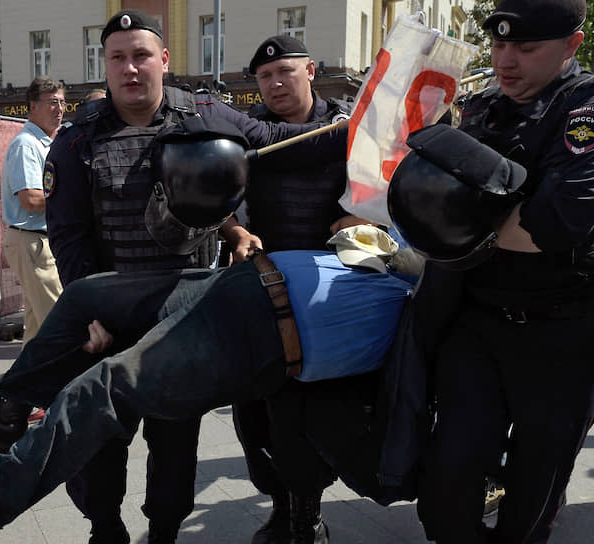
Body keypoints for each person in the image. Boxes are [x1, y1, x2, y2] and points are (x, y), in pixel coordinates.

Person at [0, 10, 346, 543]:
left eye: (141, 55)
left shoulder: (207, 114)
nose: (130, 68)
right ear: (106, 65)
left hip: (187, 315)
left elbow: (288, 141)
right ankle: (105, 528)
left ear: (163, 60)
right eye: (118, 57)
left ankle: (162, 531)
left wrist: (376, 122)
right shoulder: (77, 139)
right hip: (107, 315)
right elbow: (69, 234)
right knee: (97, 449)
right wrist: (92, 313)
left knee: (174, 451)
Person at [0, 225, 416, 536]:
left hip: (263, 336)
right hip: (241, 280)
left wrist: (419, 264)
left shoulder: (436, 293)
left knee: (108, 385)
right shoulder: (403, 237)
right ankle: (7, 412)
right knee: (86, 295)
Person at [407, 1, 594, 542]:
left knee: (535, 492)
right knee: (449, 480)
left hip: (563, 334)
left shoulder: (583, 110)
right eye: (499, 44)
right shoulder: (484, 108)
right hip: (479, 322)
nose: (506, 60)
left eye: (527, 48)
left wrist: (462, 220)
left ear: (572, 46)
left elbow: (552, 225)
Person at [225, 35, 367, 544]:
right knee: (255, 415)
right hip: (261, 292)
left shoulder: (348, 128)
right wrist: (234, 228)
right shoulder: (248, 137)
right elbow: (226, 195)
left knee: (311, 413)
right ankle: (281, 505)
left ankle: (307, 513)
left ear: (311, 70)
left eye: (285, 71)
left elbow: (381, 187)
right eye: (265, 76)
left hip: (330, 296)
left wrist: (361, 215)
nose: (276, 82)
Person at [1, 77, 65, 343]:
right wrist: (70, 200)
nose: (60, 109)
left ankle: (24, 382)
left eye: (62, 102)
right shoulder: (26, 144)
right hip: (33, 241)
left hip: (37, 242)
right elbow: (30, 199)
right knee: (61, 320)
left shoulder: (43, 144)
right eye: (52, 102)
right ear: (32, 106)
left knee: (38, 328)